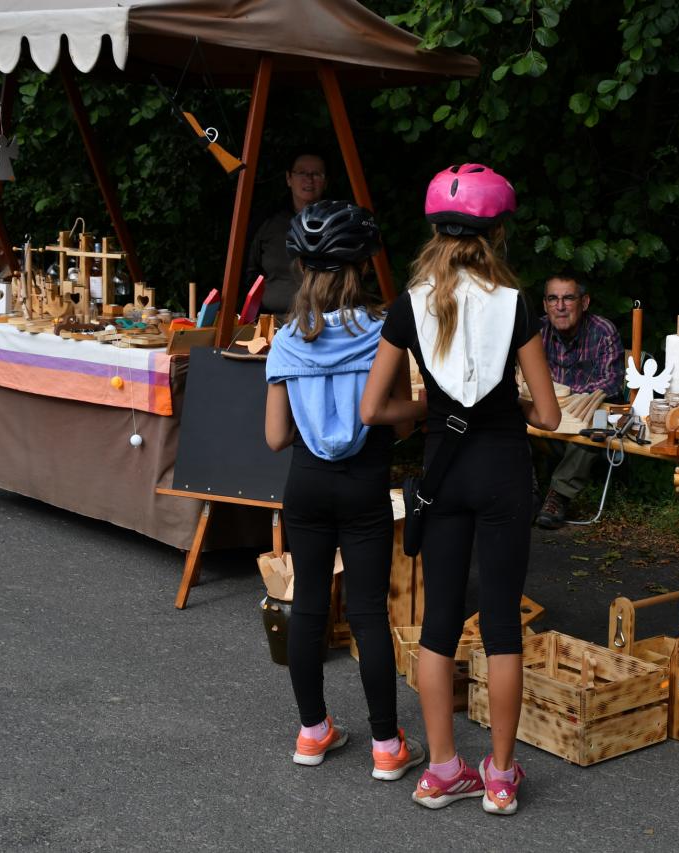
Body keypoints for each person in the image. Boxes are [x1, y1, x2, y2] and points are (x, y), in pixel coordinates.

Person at [360, 163, 560, 816]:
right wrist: (515, 407)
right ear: (496, 234)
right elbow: (549, 416)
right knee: (502, 625)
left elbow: (372, 408)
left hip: (443, 474)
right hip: (503, 471)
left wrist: (424, 411)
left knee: (439, 623)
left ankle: (443, 769)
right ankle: (500, 776)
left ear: (435, 233)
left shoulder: (408, 304)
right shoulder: (516, 304)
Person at [264, 199, 426, 781]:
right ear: (360, 268)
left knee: (308, 605)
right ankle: (386, 747)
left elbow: (275, 437)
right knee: (366, 612)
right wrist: (423, 407)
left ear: (302, 270)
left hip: (306, 484)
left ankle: (312, 733)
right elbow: (399, 424)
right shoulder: (384, 336)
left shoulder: (286, 339)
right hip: (364, 484)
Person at [534, 273, 624, 529]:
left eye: (568, 298)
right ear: (545, 305)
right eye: (553, 299)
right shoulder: (537, 332)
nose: (560, 306)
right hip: (549, 417)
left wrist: (569, 397)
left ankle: (558, 495)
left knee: (597, 423)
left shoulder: (602, 331)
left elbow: (612, 381)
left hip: (584, 417)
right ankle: (527, 492)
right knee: (510, 414)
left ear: (584, 303)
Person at [246, 151, 329, 315]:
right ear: (289, 178)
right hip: (272, 320)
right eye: (302, 172)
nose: (309, 179)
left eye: (316, 174)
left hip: (327, 320)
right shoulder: (268, 222)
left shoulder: (337, 224)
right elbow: (249, 272)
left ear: (325, 182)